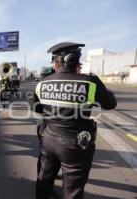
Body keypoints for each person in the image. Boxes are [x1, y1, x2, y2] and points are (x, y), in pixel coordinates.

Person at [33, 42, 117, 199]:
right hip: (75, 145)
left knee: (44, 179)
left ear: (59, 61)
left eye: (53, 61)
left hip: (48, 140)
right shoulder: (90, 82)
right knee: (72, 190)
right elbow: (110, 104)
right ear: (73, 60)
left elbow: (36, 108)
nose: (53, 64)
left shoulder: (42, 83)